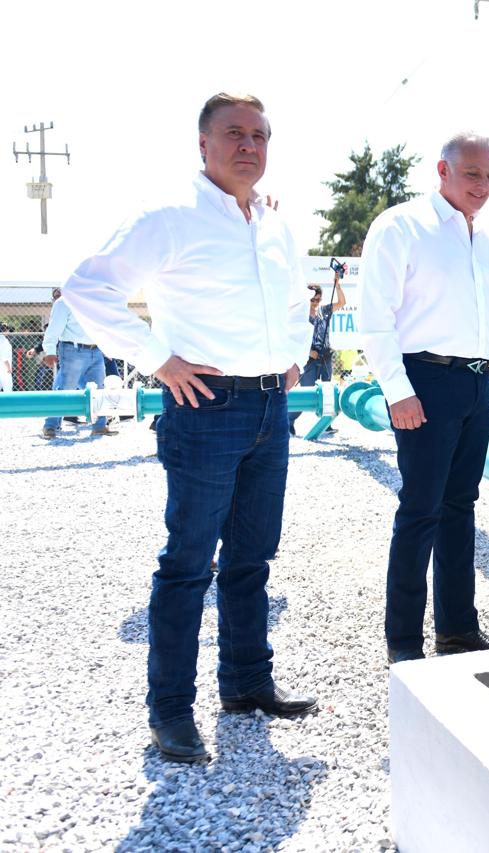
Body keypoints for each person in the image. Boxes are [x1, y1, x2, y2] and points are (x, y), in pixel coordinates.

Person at [58, 92, 318, 763]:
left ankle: (246, 684)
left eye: (260, 134)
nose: (248, 146)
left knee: (253, 559)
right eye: (233, 133)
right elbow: (87, 287)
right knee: (186, 566)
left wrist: (291, 357)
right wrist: (157, 360)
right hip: (204, 411)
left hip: (269, 410)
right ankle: (171, 711)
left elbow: (296, 301)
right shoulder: (169, 215)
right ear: (202, 143)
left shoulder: (273, 222)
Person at [361, 132, 489, 662]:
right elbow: (375, 317)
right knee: (420, 510)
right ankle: (403, 641)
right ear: (443, 170)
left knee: (461, 508)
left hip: (475, 386)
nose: (483, 185)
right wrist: (397, 391)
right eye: (472, 173)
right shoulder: (402, 226)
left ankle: (457, 629)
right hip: (423, 382)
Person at [40, 286, 115, 437]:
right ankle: (50, 426)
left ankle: (100, 425)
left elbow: (102, 327)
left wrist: (107, 347)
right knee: (65, 388)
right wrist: (49, 351)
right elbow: (53, 329)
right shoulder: (63, 302)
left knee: (99, 388)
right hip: (72, 350)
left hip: (96, 350)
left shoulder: (97, 301)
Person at [288, 268, 346, 435]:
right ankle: (288, 422)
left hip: (326, 355)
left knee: (329, 391)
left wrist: (337, 284)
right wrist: (308, 353)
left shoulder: (324, 311)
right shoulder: (299, 315)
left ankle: (326, 423)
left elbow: (342, 302)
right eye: (313, 299)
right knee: (306, 390)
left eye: (318, 299)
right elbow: (294, 338)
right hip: (309, 360)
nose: (315, 302)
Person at [0, 324, 13, 393]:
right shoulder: (3, 340)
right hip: (4, 368)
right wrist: (8, 367)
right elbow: (3, 355)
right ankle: (9, 403)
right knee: (8, 388)